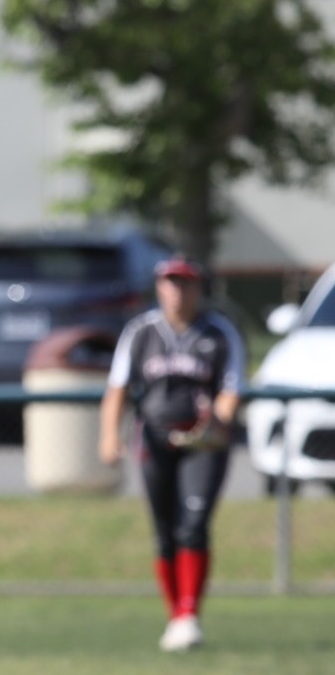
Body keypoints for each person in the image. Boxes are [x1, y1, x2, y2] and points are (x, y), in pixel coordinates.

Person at [98, 255, 246, 652]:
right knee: (164, 531)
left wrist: (216, 422)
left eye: (185, 283)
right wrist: (110, 435)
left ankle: (188, 614)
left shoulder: (218, 333)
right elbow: (118, 389)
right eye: (170, 282)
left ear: (198, 288)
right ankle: (175, 617)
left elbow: (232, 389)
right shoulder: (141, 331)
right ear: (159, 287)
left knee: (193, 524)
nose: (177, 290)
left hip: (203, 443)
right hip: (155, 439)